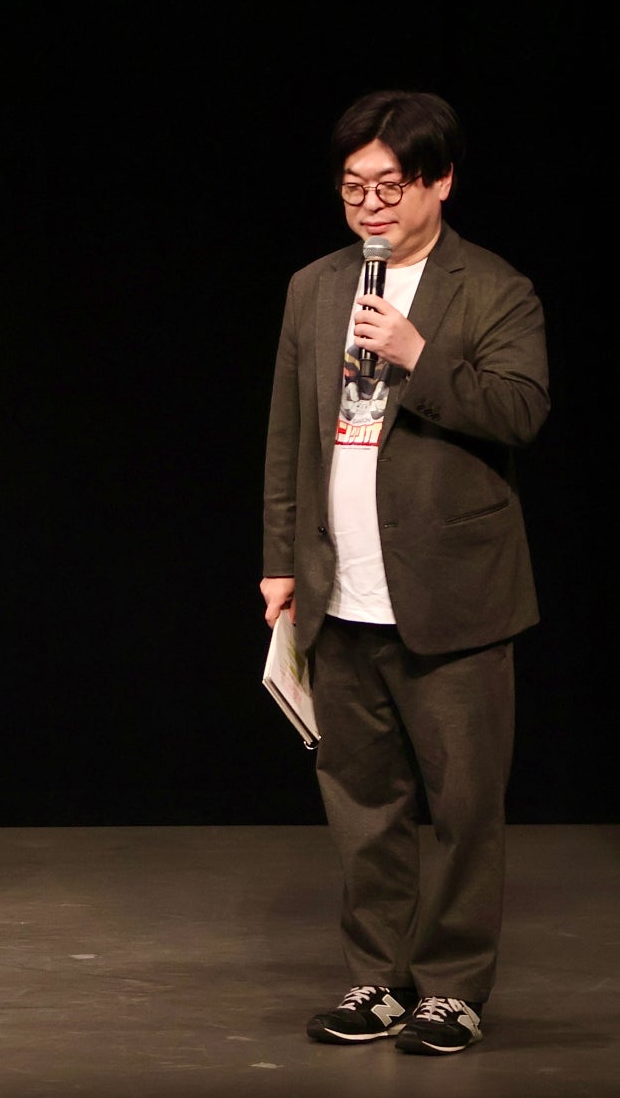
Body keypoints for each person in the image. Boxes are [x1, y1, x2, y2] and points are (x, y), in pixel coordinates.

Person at [261, 91, 548, 1056]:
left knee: (464, 807)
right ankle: (377, 979)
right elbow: (288, 434)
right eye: (354, 187)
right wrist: (279, 560)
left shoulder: (494, 287)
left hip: (454, 593)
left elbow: (521, 412)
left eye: (389, 186)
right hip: (337, 587)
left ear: (440, 182)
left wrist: (418, 355)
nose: (370, 205)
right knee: (362, 801)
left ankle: (453, 987)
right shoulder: (315, 286)